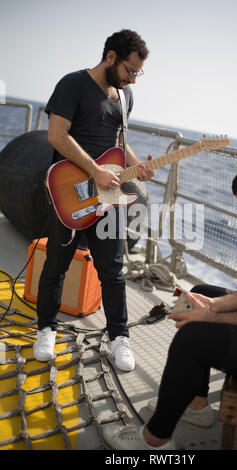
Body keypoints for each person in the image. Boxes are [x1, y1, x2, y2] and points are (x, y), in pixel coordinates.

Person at [103, 157, 237, 449]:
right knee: (199, 291)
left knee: (195, 336)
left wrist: (211, 318)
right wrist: (214, 304)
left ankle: (154, 440)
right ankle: (196, 407)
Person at [33, 30, 154, 371]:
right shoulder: (72, 84)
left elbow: (118, 141)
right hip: (70, 190)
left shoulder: (126, 96)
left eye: (138, 73)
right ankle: (46, 329)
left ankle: (119, 338)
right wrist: (94, 170)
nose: (134, 78)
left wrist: (136, 165)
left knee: (112, 270)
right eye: (131, 70)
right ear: (111, 57)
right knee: (57, 264)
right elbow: (57, 135)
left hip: (109, 196)